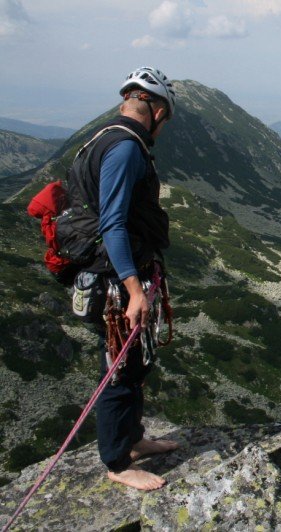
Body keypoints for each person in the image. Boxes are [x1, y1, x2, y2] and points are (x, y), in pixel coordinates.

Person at [67, 67, 179, 490]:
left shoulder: (101, 137)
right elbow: (113, 222)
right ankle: (117, 462)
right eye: (165, 118)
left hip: (104, 275)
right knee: (118, 367)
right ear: (158, 109)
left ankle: (133, 440)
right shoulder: (127, 148)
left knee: (133, 363)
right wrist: (134, 289)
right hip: (113, 281)